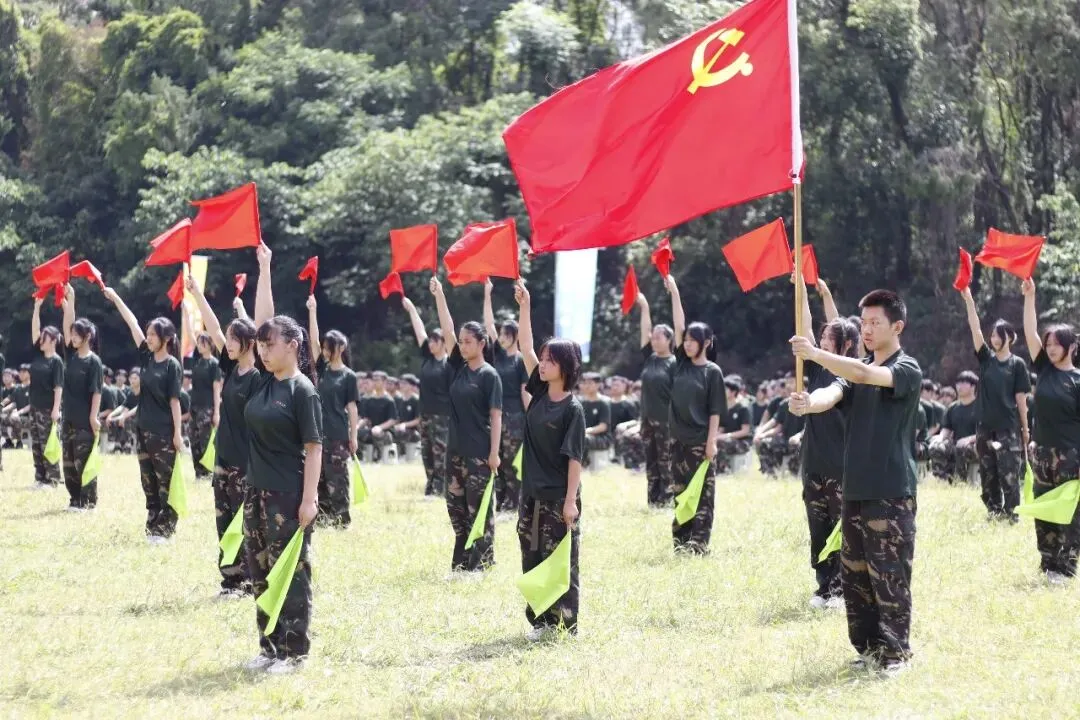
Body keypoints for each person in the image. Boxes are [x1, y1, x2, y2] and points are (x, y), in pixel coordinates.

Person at [789, 289, 922, 675]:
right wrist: (807, 404)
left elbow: (864, 374)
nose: (866, 329)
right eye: (863, 322)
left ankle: (896, 654)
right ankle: (869, 650)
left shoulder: (905, 369)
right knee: (856, 576)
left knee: (889, 574)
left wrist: (814, 353)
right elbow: (832, 392)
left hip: (891, 491)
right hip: (855, 491)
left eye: (874, 322)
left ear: (897, 326)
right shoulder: (854, 369)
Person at [242, 244, 323, 674]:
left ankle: (294, 651)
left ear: (293, 346)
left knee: (290, 572)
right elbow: (263, 322)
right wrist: (265, 268)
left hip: (287, 496)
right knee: (259, 570)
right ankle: (269, 645)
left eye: (270, 345)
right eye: (261, 345)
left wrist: (309, 500)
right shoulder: (262, 383)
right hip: (255, 491)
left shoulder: (302, 391)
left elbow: (314, 448)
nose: (263, 349)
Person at [513, 280, 585, 639]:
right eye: (541, 360)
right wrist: (525, 305)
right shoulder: (539, 392)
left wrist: (571, 501)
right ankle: (540, 622)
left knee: (562, 560)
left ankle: (566, 625)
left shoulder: (572, 408)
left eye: (549, 360)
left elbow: (574, 458)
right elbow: (525, 345)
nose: (541, 364)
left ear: (566, 366)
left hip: (559, 496)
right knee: (532, 556)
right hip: (531, 493)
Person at [186, 274, 261, 597]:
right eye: (228, 339)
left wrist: (244, 310)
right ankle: (230, 580)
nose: (227, 343)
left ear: (247, 343)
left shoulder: (260, 376)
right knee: (223, 519)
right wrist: (198, 294)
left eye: (234, 339)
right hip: (223, 457)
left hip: (248, 462)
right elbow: (214, 329)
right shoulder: (229, 369)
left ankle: (248, 580)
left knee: (245, 524)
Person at [794, 275, 859, 609]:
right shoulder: (817, 369)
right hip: (814, 462)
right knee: (819, 526)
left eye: (826, 339)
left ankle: (843, 587)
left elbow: (826, 397)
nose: (818, 341)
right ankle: (824, 586)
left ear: (845, 345)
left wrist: (826, 295)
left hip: (841, 465)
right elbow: (805, 327)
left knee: (841, 528)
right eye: (819, 338)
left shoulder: (852, 372)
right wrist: (803, 292)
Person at [430, 275, 502, 572]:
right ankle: (461, 562)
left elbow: (496, 416)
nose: (462, 345)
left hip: (480, 452)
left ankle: (482, 562)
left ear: (482, 344)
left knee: (479, 509)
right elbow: (447, 328)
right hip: (455, 449)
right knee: (455, 507)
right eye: (460, 341)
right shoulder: (457, 369)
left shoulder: (489, 375)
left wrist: (495, 453)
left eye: (468, 341)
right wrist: (439, 295)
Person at [103, 285, 183, 543]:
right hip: (143, 428)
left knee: (165, 481)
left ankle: (165, 528)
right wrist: (116, 298)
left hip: (163, 432)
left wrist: (178, 435)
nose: (147, 337)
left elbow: (175, 402)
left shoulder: (172, 365)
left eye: (152, 334)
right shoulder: (147, 359)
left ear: (166, 338)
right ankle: (153, 524)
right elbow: (132, 322)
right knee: (148, 480)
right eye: (147, 334)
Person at [1021, 278, 1080, 584]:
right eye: (1049, 344)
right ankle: (1049, 565)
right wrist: (1030, 298)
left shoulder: (1077, 381)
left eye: (1057, 343)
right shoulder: (1043, 368)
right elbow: (1030, 332)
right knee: (1044, 508)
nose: (1051, 348)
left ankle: (1067, 566)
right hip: (1042, 453)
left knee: (1070, 512)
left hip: (1071, 457)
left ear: (1072, 346)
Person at [960, 287, 1031, 521]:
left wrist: (1025, 430)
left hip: (1007, 429)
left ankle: (1012, 515)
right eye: (993, 335)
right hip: (985, 428)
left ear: (1010, 337)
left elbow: (1021, 399)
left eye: (1000, 335)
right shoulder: (986, 359)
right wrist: (969, 299)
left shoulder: (1017, 364)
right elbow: (975, 327)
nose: (994, 338)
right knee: (988, 473)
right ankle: (993, 511)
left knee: (1009, 473)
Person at [666, 276, 725, 554]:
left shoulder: (712, 372)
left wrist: (711, 442)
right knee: (680, 492)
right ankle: (680, 542)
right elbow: (678, 323)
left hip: (701, 442)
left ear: (706, 343)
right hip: (677, 441)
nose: (688, 344)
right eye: (686, 340)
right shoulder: (680, 364)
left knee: (703, 495)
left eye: (693, 341)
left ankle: (699, 544)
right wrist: (674, 290)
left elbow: (715, 411)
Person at [306, 296, 359, 527]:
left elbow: (352, 408)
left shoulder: (348, 376)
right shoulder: (321, 369)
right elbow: (314, 341)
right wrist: (313, 311)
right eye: (325, 348)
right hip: (318, 432)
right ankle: (323, 517)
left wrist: (353, 437)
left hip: (338, 433)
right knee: (319, 476)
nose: (326, 351)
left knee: (338, 477)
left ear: (341, 348)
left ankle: (341, 519)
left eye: (330, 348)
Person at [484, 280, 529, 511]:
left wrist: (530, 418)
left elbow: (525, 392)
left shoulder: (520, 360)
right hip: (495, 415)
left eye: (505, 334)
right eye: (500, 334)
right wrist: (487, 295)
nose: (500, 337)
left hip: (514, 418)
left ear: (514, 335)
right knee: (497, 460)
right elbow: (489, 325)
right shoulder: (498, 356)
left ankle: (515, 501)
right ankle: (501, 500)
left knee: (513, 461)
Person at [402, 296, 452, 497]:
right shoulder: (428, 360)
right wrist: (412, 309)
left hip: (443, 415)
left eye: (435, 341)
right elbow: (419, 332)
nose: (430, 344)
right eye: (430, 341)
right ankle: (431, 484)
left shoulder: (449, 364)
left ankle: (440, 487)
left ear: (443, 342)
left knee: (441, 452)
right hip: (426, 414)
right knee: (427, 452)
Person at [59, 284, 103, 510]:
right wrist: (70, 301)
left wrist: (94, 417)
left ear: (87, 337)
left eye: (77, 335)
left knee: (83, 461)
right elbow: (68, 324)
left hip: (85, 421)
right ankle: (75, 498)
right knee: (67, 461)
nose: (72, 337)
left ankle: (88, 501)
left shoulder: (93, 361)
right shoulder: (72, 356)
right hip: (68, 418)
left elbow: (97, 391)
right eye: (72, 334)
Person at [633, 290, 677, 507]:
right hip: (648, 420)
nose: (653, 339)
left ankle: (668, 499)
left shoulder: (674, 363)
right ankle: (653, 500)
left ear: (669, 340)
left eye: (659, 336)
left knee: (666, 460)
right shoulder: (650, 359)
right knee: (651, 461)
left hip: (667, 422)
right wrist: (644, 306)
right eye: (653, 336)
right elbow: (645, 330)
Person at [29, 294, 65, 489]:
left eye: (44, 337)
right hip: (35, 405)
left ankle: (52, 479)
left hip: (47, 407)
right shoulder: (38, 355)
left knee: (48, 443)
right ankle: (40, 477)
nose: (40, 339)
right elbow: (34, 329)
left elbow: (58, 386)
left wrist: (56, 409)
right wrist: (37, 308)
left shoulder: (56, 361)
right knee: (36, 443)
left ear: (52, 340)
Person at [928, 373, 979, 483]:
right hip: (957, 443)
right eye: (958, 383)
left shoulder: (982, 406)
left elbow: (987, 431)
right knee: (936, 446)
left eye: (964, 383)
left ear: (973, 386)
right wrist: (940, 438)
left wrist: (969, 439)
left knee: (961, 448)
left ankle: (961, 481)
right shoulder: (953, 408)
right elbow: (947, 428)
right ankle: (942, 480)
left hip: (979, 444)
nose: (959, 386)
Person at [189, 330, 223, 481]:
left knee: (205, 439)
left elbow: (217, 389)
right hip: (195, 406)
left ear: (210, 345)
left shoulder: (214, 364)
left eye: (203, 343)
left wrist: (216, 412)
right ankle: (198, 471)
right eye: (199, 343)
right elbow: (190, 335)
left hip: (207, 407)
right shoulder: (198, 362)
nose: (200, 346)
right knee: (193, 439)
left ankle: (208, 471)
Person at [715, 378, 751, 474]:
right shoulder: (723, 409)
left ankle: (723, 470)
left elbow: (745, 431)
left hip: (742, 442)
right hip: (725, 440)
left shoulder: (742, 409)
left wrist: (727, 436)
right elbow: (721, 428)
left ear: (733, 392)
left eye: (725, 389)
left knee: (720, 443)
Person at [579, 373, 611, 469]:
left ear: (598, 385)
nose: (586, 386)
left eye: (589, 383)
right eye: (584, 383)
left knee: (583, 439)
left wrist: (585, 431)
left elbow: (603, 426)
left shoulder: (604, 403)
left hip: (602, 438)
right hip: (584, 434)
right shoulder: (581, 402)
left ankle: (582, 466)